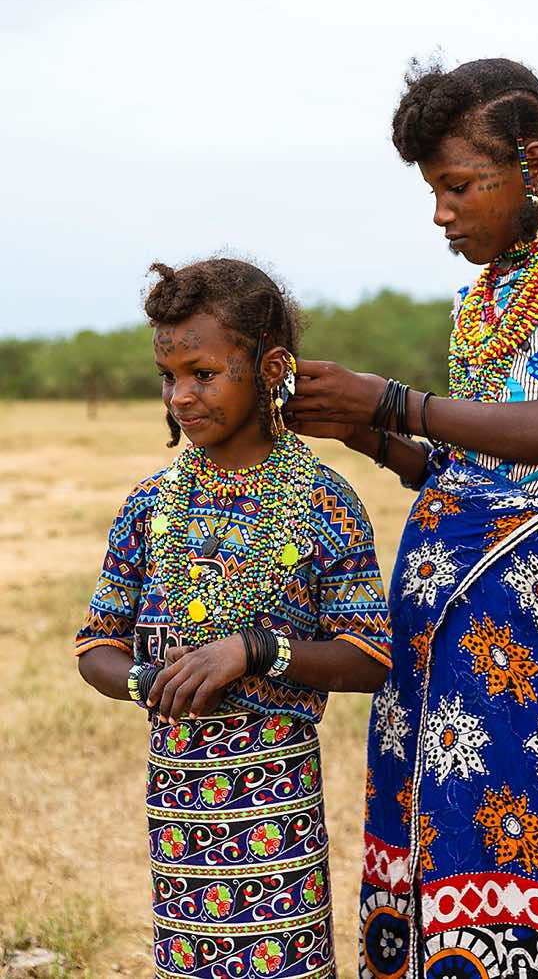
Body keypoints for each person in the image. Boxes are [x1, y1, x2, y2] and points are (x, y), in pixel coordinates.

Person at [288, 59, 538, 979]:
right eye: (434, 191)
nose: (442, 213)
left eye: (458, 186)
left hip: (528, 619)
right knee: (431, 836)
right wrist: (371, 431)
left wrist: (399, 401)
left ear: (534, 166)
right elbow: (463, 469)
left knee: (532, 830)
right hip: (427, 624)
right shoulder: (482, 298)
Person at [75, 258, 391, 979]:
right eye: (168, 377)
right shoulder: (150, 504)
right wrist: (146, 681)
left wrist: (256, 650)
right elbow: (96, 643)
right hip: (178, 809)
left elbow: (370, 657)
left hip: (277, 812)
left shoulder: (324, 501)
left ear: (270, 366)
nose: (181, 396)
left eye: (203, 373)